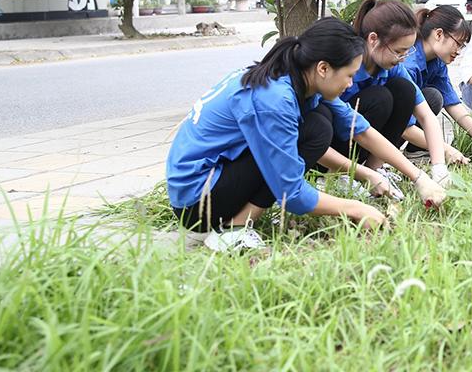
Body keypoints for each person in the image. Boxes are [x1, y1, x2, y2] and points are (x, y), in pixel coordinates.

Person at [166, 18, 395, 252]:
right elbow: (292, 195)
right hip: (197, 201)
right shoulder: (274, 100)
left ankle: (241, 218)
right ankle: (232, 230)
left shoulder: (291, 79)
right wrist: (356, 208)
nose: (350, 84)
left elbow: (357, 126)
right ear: (323, 68)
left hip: (212, 180)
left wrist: (414, 177)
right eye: (349, 75)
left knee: (320, 120)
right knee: (318, 127)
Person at [339, 0, 455, 190]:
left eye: (406, 53)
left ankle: (374, 169)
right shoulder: (344, 67)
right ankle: (342, 174)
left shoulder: (390, 67)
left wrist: (439, 166)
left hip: (364, 140)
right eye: (398, 51)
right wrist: (417, 176)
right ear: (373, 39)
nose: (402, 59)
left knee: (404, 90)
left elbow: (426, 115)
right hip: (334, 143)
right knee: (380, 98)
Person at [399, 5, 472, 160]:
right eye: (457, 43)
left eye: (462, 46)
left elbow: (452, 104)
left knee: (433, 97)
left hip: (401, 124)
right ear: (439, 34)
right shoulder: (408, 63)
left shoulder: (437, 62)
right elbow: (404, 126)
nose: (459, 51)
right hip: (384, 127)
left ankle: (417, 152)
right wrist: (444, 148)